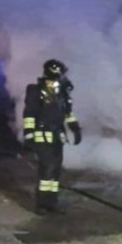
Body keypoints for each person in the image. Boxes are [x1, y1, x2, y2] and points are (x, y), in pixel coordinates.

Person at [22, 59, 81, 214]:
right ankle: (42, 204)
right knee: (46, 170)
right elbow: (29, 113)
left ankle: (51, 202)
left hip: (57, 137)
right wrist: (29, 134)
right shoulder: (36, 90)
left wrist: (75, 128)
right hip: (42, 137)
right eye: (61, 73)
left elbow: (68, 113)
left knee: (55, 171)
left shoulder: (62, 91)